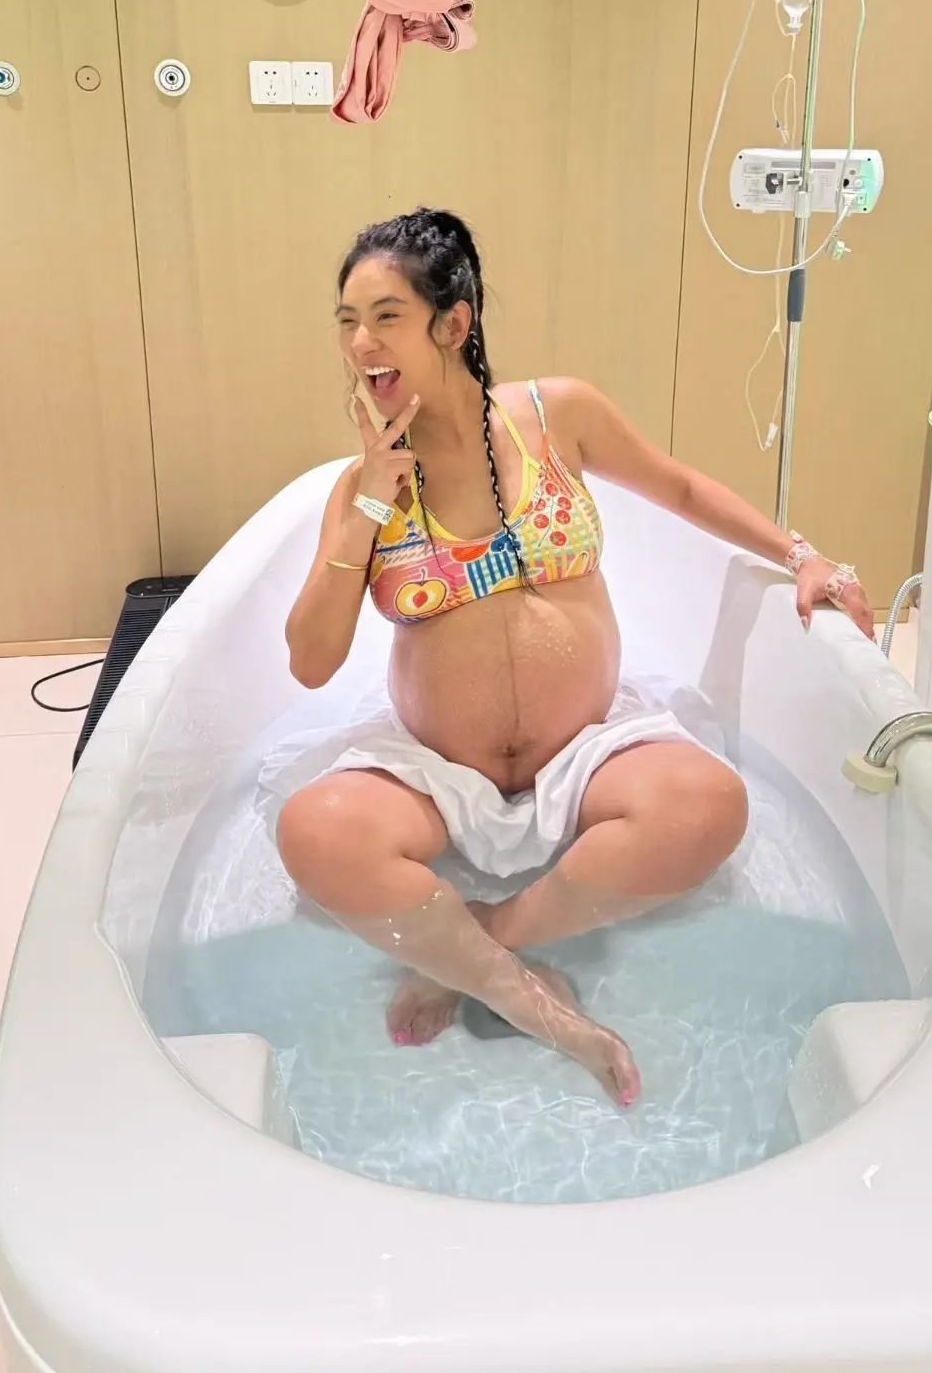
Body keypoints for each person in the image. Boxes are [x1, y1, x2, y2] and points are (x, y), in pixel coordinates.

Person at [279, 208, 874, 1107]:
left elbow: (678, 487)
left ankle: (480, 947)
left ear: (453, 322)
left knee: (708, 805)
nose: (361, 343)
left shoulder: (556, 416)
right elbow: (310, 662)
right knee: (314, 831)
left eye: (386, 316)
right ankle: (527, 997)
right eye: (347, 321)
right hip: (437, 774)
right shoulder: (362, 486)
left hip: (587, 754)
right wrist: (367, 502)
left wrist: (802, 555)